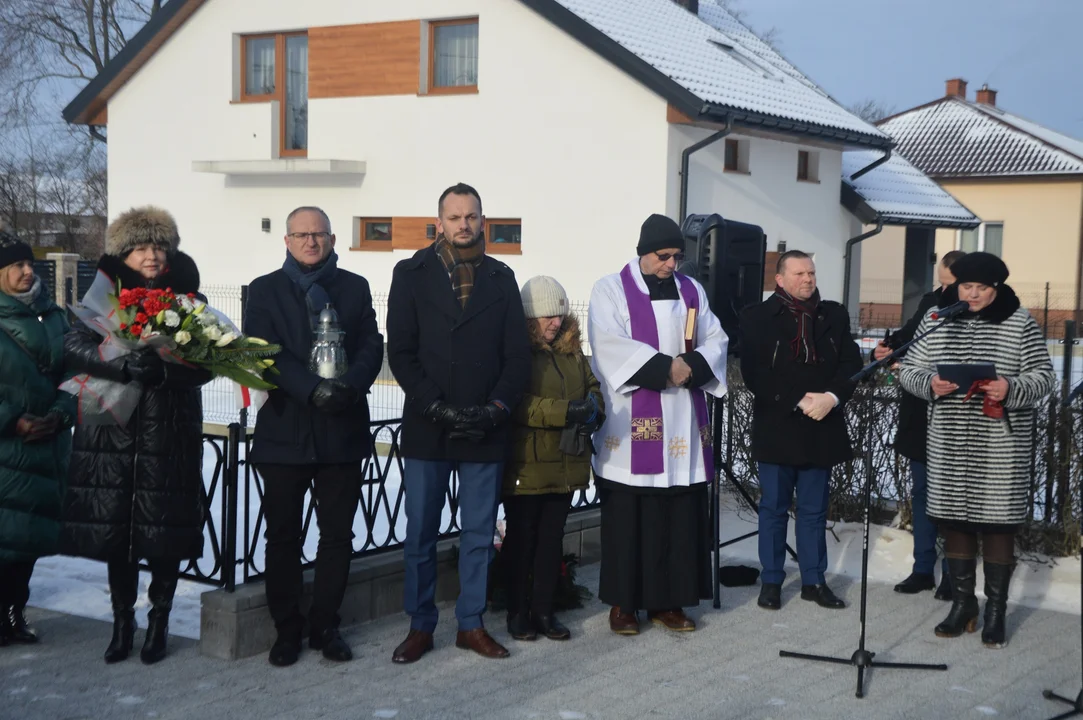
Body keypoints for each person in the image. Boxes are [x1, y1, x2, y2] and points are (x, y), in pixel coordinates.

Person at [386, 183, 531, 663]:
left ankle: (471, 624)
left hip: (485, 427)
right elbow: (401, 352)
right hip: (430, 424)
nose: (463, 224)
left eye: (471, 216)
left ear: (482, 222)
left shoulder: (501, 277)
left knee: (478, 534)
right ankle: (420, 625)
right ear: (440, 222)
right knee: (421, 533)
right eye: (454, 217)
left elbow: (516, 356)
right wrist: (435, 407)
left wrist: (495, 410)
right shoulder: (410, 273)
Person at [61, 206, 212, 664]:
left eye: (159, 246)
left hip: (167, 430)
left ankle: (158, 622)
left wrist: (165, 373)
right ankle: (122, 622)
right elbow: (73, 345)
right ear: (123, 253)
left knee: (160, 530)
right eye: (141, 247)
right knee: (117, 533)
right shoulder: (101, 298)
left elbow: (207, 363)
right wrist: (123, 363)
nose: (151, 255)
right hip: (112, 430)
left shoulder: (188, 298)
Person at [245, 206, 384, 667]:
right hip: (286, 429)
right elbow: (265, 352)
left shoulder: (354, 287)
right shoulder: (265, 290)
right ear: (286, 240)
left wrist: (350, 385)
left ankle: (326, 624)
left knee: (336, 535)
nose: (310, 242)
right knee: (282, 536)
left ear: (331, 238)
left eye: (318, 234)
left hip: (341, 432)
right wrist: (311, 389)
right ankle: (287, 629)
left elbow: (371, 343)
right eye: (301, 234)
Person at [898, 252, 1054, 648]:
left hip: (1001, 446)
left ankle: (996, 612)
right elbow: (911, 370)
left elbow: (1043, 378)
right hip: (949, 443)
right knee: (954, 522)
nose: (972, 294)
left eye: (980, 288)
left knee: (998, 527)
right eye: (965, 287)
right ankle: (964, 605)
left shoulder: (1020, 323)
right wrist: (930, 384)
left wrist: (1010, 388)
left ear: (995, 288)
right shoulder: (938, 320)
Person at [588, 214, 728, 636]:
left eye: (677, 257)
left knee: (679, 517)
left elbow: (716, 339)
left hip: (683, 421)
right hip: (633, 426)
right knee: (631, 518)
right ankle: (624, 604)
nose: (672, 264)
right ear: (643, 252)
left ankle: (669, 602)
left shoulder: (692, 290)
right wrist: (669, 369)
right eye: (664, 256)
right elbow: (609, 344)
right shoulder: (610, 289)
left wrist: (692, 365)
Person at [740, 250, 861, 611]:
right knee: (774, 509)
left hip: (821, 425)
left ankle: (814, 580)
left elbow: (851, 363)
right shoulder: (757, 317)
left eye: (811, 272)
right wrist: (798, 400)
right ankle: (772, 581)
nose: (808, 279)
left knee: (813, 510)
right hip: (778, 424)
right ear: (779, 279)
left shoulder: (833, 314)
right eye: (799, 274)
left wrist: (832, 397)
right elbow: (755, 372)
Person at [501, 276, 604, 642]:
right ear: (529, 317)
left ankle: (544, 612)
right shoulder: (516, 353)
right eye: (546, 316)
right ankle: (517, 613)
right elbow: (518, 403)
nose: (555, 322)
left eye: (559, 314)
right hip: (526, 466)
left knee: (550, 541)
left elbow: (594, 387)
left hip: (564, 464)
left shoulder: (572, 352)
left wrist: (594, 410)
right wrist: (566, 411)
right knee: (521, 541)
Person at [874, 250, 965, 599]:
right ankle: (923, 568)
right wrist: (889, 349)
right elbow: (910, 335)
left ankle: (954, 574)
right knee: (924, 494)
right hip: (919, 411)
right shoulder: (932, 302)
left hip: (954, 416)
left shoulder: (978, 314)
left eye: (953, 284)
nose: (950, 291)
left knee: (952, 499)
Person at [0, 226, 75, 646]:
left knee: (27, 540)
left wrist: (62, 414)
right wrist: (14, 421)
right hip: (7, 447)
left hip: (46, 446)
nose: (28, 272)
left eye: (30, 264)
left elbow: (75, 373)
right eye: (17, 266)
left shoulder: (55, 316)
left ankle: (15, 614)